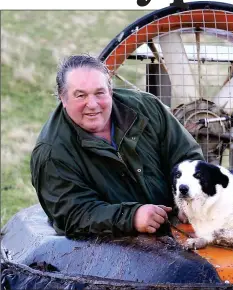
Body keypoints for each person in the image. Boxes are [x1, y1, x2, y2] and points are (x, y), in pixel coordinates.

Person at [30, 54, 204, 238]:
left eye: (99, 93)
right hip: (115, 245)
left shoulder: (147, 108)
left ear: (110, 91)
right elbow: (73, 214)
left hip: (180, 228)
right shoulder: (51, 153)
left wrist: (188, 197)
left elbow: (187, 156)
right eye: (80, 95)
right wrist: (132, 217)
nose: (93, 104)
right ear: (63, 98)